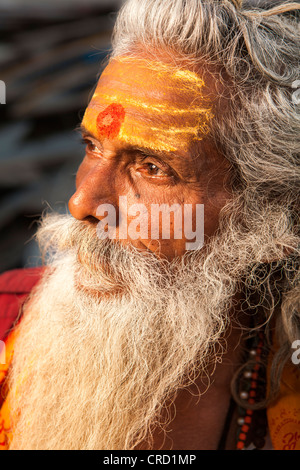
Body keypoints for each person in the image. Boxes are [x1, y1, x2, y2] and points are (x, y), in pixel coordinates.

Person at [0, 0, 299, 450]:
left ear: (271, 219)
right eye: (92, 145)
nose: (82, 202)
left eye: (152, 167)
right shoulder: (6, 326)